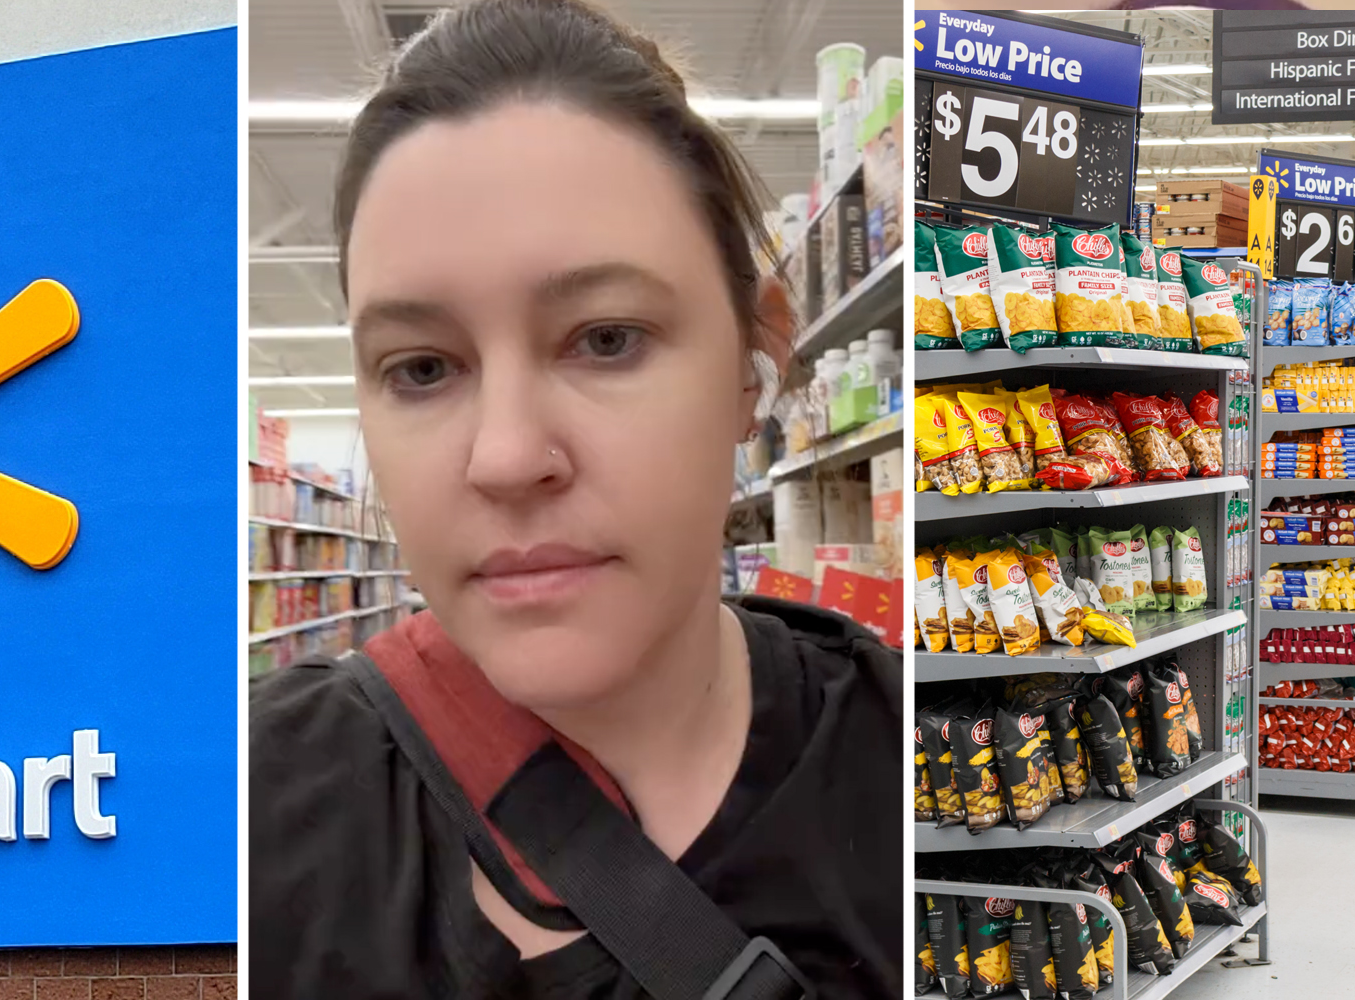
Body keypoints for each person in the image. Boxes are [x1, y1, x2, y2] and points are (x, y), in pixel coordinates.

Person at [248, 1, 903, 996]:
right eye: (421, 367)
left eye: (605, 338)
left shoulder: (930, 766)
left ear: (752, 362)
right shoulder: (246, 811)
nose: (506, 457)